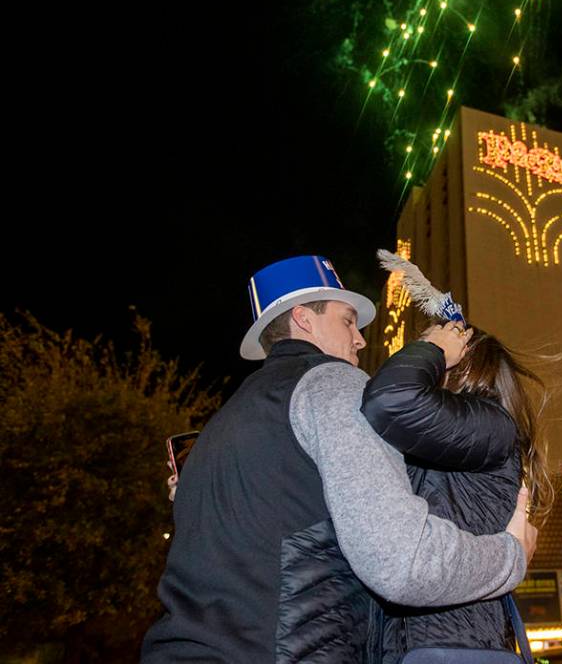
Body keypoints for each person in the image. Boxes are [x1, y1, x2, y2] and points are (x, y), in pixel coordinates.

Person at [142, 255, 536, 663]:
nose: (360, 339)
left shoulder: (220, 425)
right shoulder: (334, 384)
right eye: (348, 321)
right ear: (304, 319)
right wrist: (511, 557)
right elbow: (401, 562)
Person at [361, 323, 551, 663]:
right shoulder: (458, 438)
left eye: (435, 353)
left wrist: (434, 348)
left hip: (454, 646)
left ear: (462, 363)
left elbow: (390, 399)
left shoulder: (491, 425)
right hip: (430, 644)